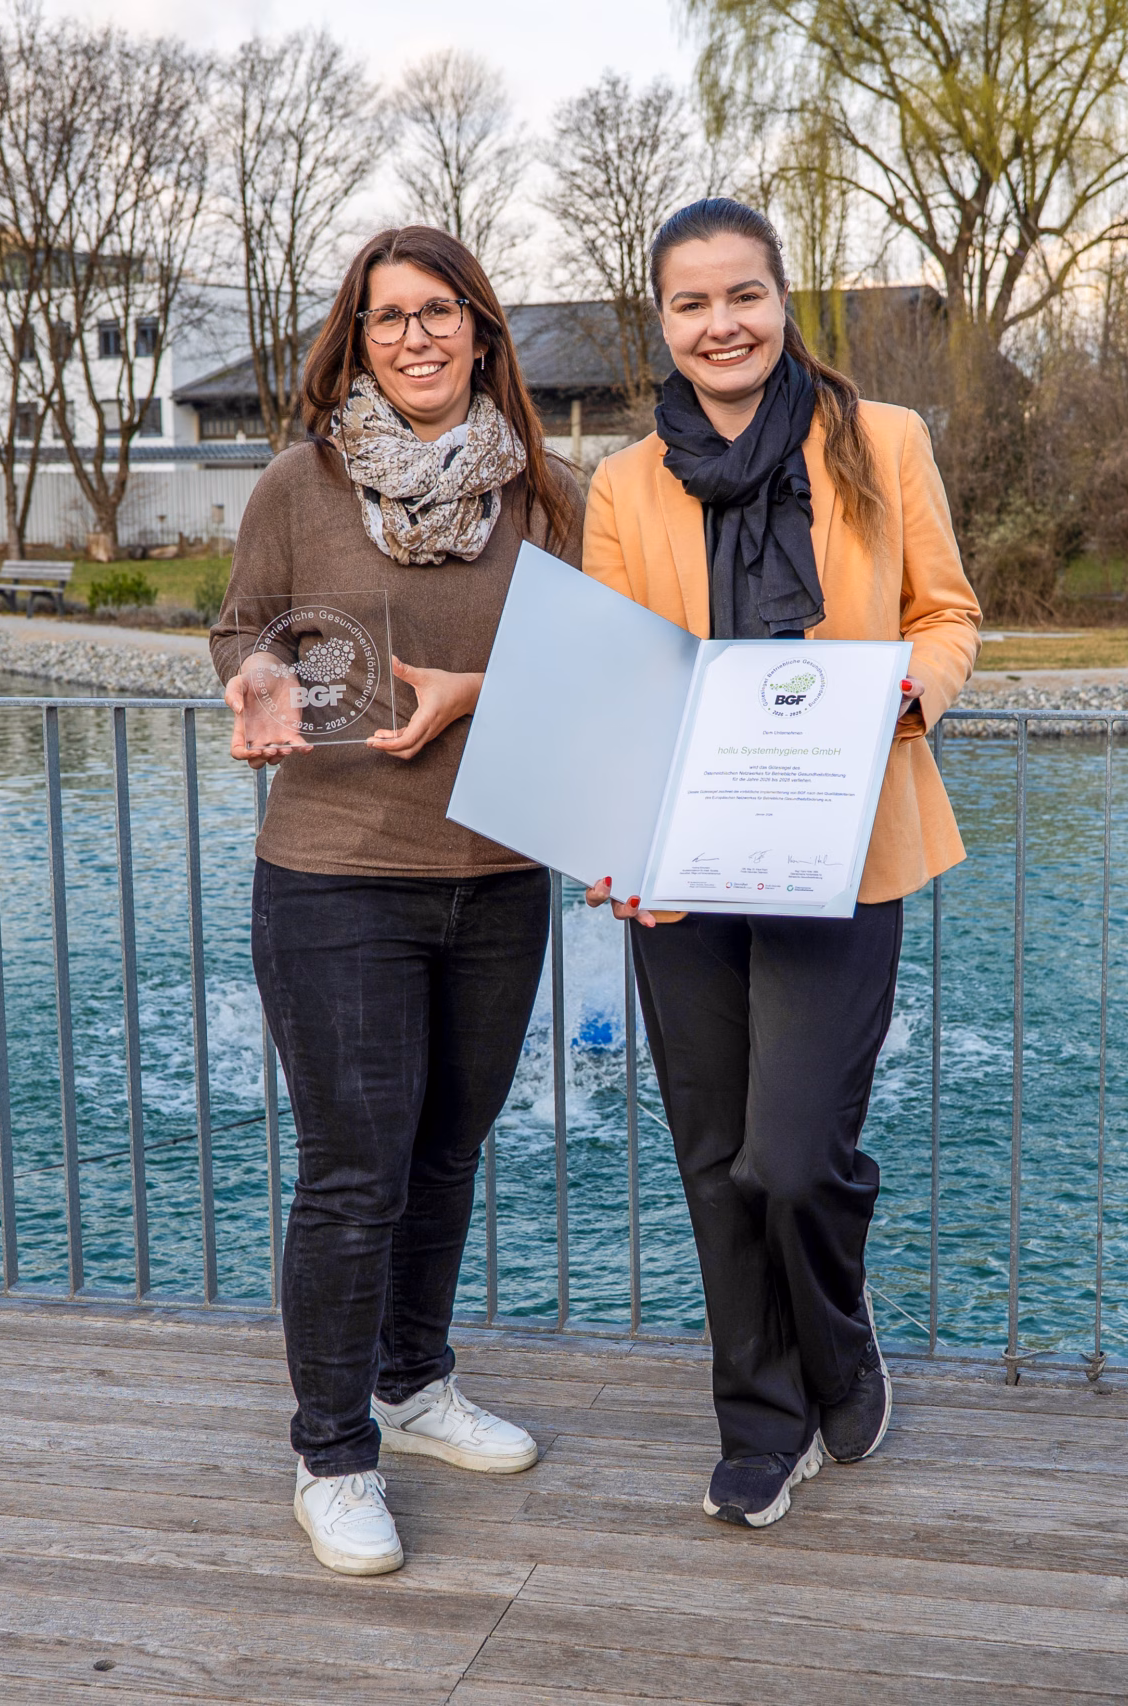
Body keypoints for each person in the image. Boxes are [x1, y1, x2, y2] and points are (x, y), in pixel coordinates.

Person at [580, 199, 981, 1528]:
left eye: (742, 294)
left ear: (781, 299)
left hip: (846, 848)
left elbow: (946, 613)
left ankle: (840, 1344)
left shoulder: (882, 441)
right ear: (662, 321)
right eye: (691, 303)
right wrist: (610, 836)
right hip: (684, 868)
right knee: (715, 1158)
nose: (721, 324)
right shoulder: (625, 485)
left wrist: (907, 696)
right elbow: (620, 684)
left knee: (797, 1156)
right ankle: (763, 1419)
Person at [211, 226, 581, 1578]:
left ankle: (413, 1385)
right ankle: (333, 1454)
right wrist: (255, 679)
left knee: (445, 1157)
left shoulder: (550, 496)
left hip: (499, 876)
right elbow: (242, 629)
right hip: (336, 875)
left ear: (481, 330)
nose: (415, 335)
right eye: (387, 316)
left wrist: (479, 695)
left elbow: (593, 668)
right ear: (356, 339)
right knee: (354, 1173)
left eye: (438, 311)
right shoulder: (298, 484)